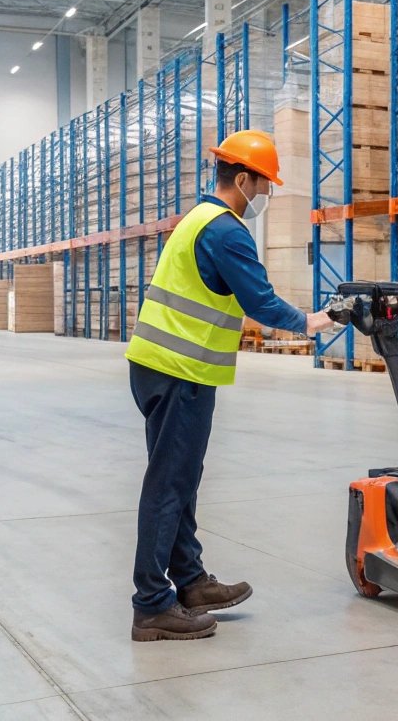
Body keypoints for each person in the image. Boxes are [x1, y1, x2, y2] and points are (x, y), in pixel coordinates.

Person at [124, 129, 334, 642]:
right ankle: (152, 604)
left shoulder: (198, 218)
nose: (264, 197)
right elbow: (260, 302)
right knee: (170, 484)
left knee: (180, 480)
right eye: (263, 186)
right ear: (242, 179)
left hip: (161, 366)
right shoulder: (226, 230)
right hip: (181, 371)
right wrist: (317, 320)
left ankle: (189, 581)